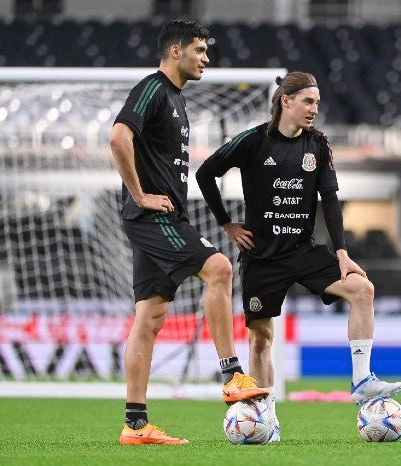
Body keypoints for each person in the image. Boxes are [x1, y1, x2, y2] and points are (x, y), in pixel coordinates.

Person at [196, 71, 401, 442]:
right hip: (261, 257)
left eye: (318, 103)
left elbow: (330, 199)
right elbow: (205, 173)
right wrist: (227, 223)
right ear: (286, 101)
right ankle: (267, 419)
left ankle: (361, 380)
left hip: (303, 250)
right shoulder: (251, 142)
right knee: (260, 339)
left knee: (362, 289)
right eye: (308, 101)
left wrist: (341, 251)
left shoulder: (318, 144)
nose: (314, 109)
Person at [109, 19, 269, 446]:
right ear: (175, 50)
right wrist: (141, 195)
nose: (206, 58)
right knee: (218, 268)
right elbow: (118, 137)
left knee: (150, 318)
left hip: (163, 215)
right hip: (153, 215)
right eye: (199, 50)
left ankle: (136, 424)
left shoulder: (176, 99)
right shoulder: (152, 88)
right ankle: (233, 375)